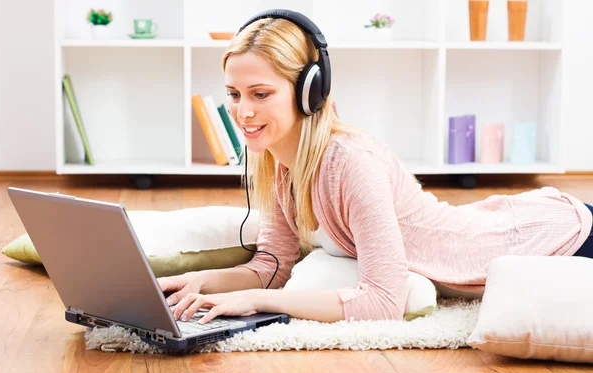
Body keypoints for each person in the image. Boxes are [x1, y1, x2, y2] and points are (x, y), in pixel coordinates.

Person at [158, 10, 593, 325]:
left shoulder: (351, 163)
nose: (242, 111)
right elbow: (272, 265)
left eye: (260, 94)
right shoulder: (279, 165)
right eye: (234, 94)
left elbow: (383, 302)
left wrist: (259, 301)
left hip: (558, 238)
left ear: (309, 91)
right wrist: (197, 282)